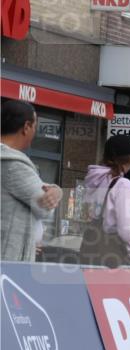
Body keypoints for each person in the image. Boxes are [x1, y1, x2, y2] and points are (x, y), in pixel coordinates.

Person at [1, 99, 62, 261]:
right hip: (9, 260)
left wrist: (56, 190)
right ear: (26, 127)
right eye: (35, 127)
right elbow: (45, 206)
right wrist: (55, 194)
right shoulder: (13, 165)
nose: (34, 133)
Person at [80, 134, 130, 267]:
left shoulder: (92, 180)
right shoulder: (123, 185)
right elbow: (127, 233)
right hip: (112, 260)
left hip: (89, 254)